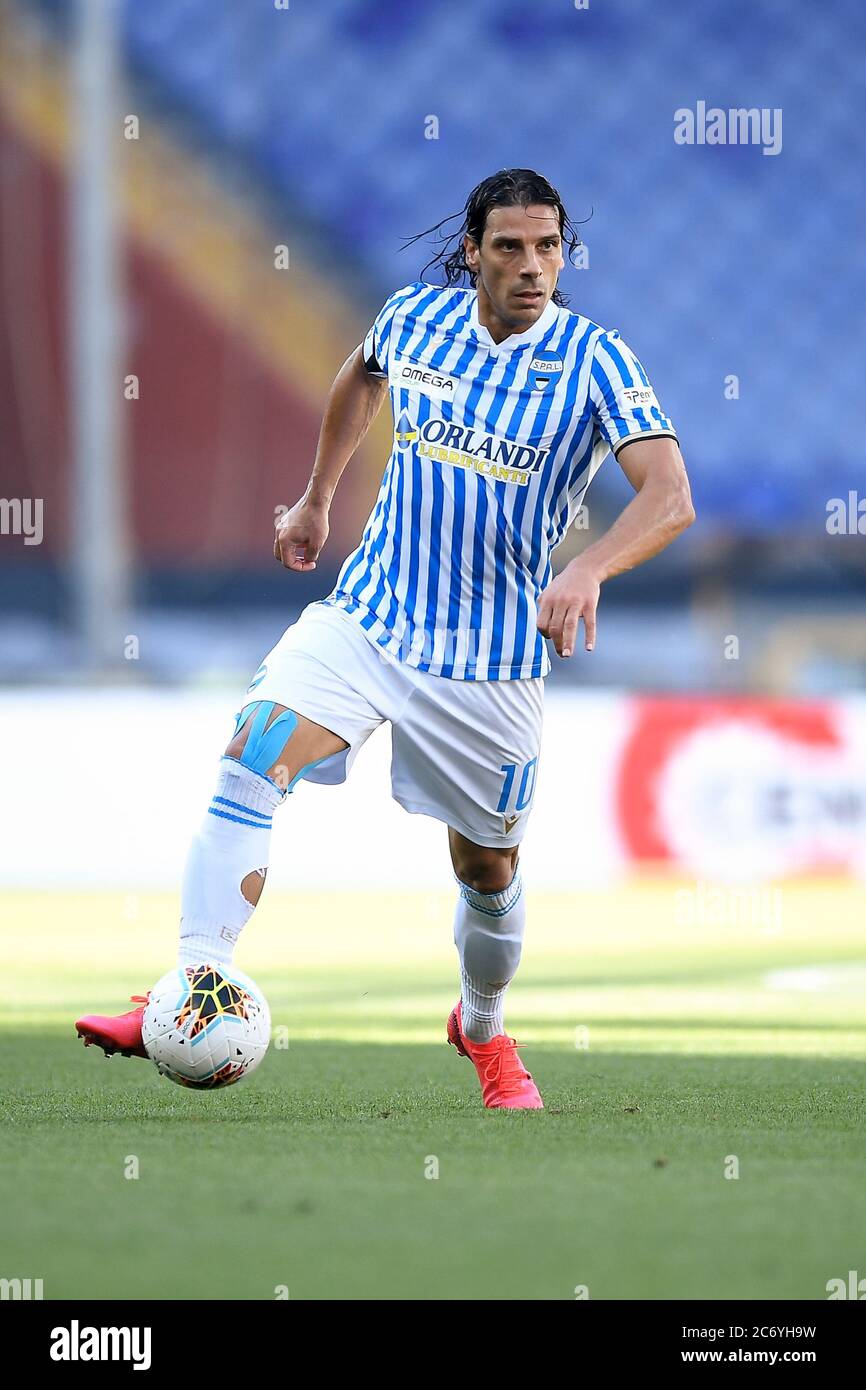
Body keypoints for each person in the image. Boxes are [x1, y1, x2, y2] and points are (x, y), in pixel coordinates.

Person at [75, 168, 694, 1109]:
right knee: (252, 757)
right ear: (472, 253)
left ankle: (482, 1028)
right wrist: (319, 498)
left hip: (488, 664)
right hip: (369, 619)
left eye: (550, 247)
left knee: (488, 870)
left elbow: (670, 497)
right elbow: (359, 378)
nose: (534, 267)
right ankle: (192, 986)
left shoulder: (596, 360)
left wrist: (588, 568)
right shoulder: (414, 319)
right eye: (511, 248)